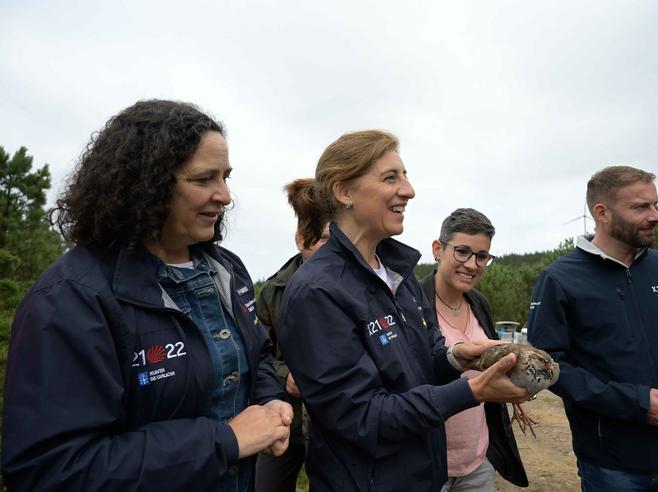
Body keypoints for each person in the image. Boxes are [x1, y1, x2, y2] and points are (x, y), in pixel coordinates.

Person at [1, 99, 292, 492]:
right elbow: (51, 470)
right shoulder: (72, 299)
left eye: (226, 177)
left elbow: (255, 356)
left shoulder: (228, 271)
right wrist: (224, 441)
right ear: (147, 185)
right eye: (204, 179)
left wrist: (271, 402)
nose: (225, 195)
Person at [277, 130, 529, 491]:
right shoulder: (318, 291)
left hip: (422, 475)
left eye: (405, 176)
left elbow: (423, 364)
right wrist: (474, 392)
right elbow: (363, 415)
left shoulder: (398, 273)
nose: (409, 190)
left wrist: (459, 359)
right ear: (344, 191)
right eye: (390, 178)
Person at [527, 165, 658, 491]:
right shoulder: (559, 279)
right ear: (602, 213)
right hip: (611, 465)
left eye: (655, 204)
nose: (656, 215)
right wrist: (636, 403)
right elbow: (551, 366)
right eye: (641, 207)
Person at [420, 208, 528, 491]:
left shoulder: (479, 303)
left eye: (482, 256)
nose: (472, 264)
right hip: (426, 460)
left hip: (478, 460)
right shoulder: (411, 303)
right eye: (462, 252)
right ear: (437, 249)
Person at [255, 180, 330, 492]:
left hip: (334, 427)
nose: (333, 249)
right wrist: (285, 376)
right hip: (284, 421)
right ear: (302, 238)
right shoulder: (273, 292)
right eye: (325, 239)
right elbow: (255, 355)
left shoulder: (358, 288)